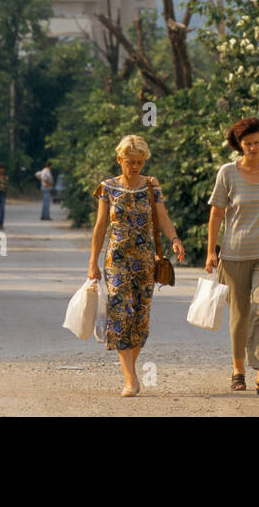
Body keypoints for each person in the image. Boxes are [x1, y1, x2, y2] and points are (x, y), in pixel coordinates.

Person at [89, 135, 186, 397]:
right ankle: (130, 378)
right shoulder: (107, 187)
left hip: (145, 261)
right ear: (119, 159)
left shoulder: (152, 186)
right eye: (130, 161)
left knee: (140, 318)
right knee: (122, 313)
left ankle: (130, 368)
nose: (135, 166)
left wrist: (175, 240)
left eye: (140, 162)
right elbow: (100, 228)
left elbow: (162, 218)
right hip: (116, 261)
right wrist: (93, 263)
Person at [205, 117, 259, 396]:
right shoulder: (227, 173)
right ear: (239, 145)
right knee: (240, 314)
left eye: (257, 142)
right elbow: (217, 212)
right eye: (247, 143)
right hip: (234, 254)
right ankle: (238, 371)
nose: (253, 148)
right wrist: (210, 251)